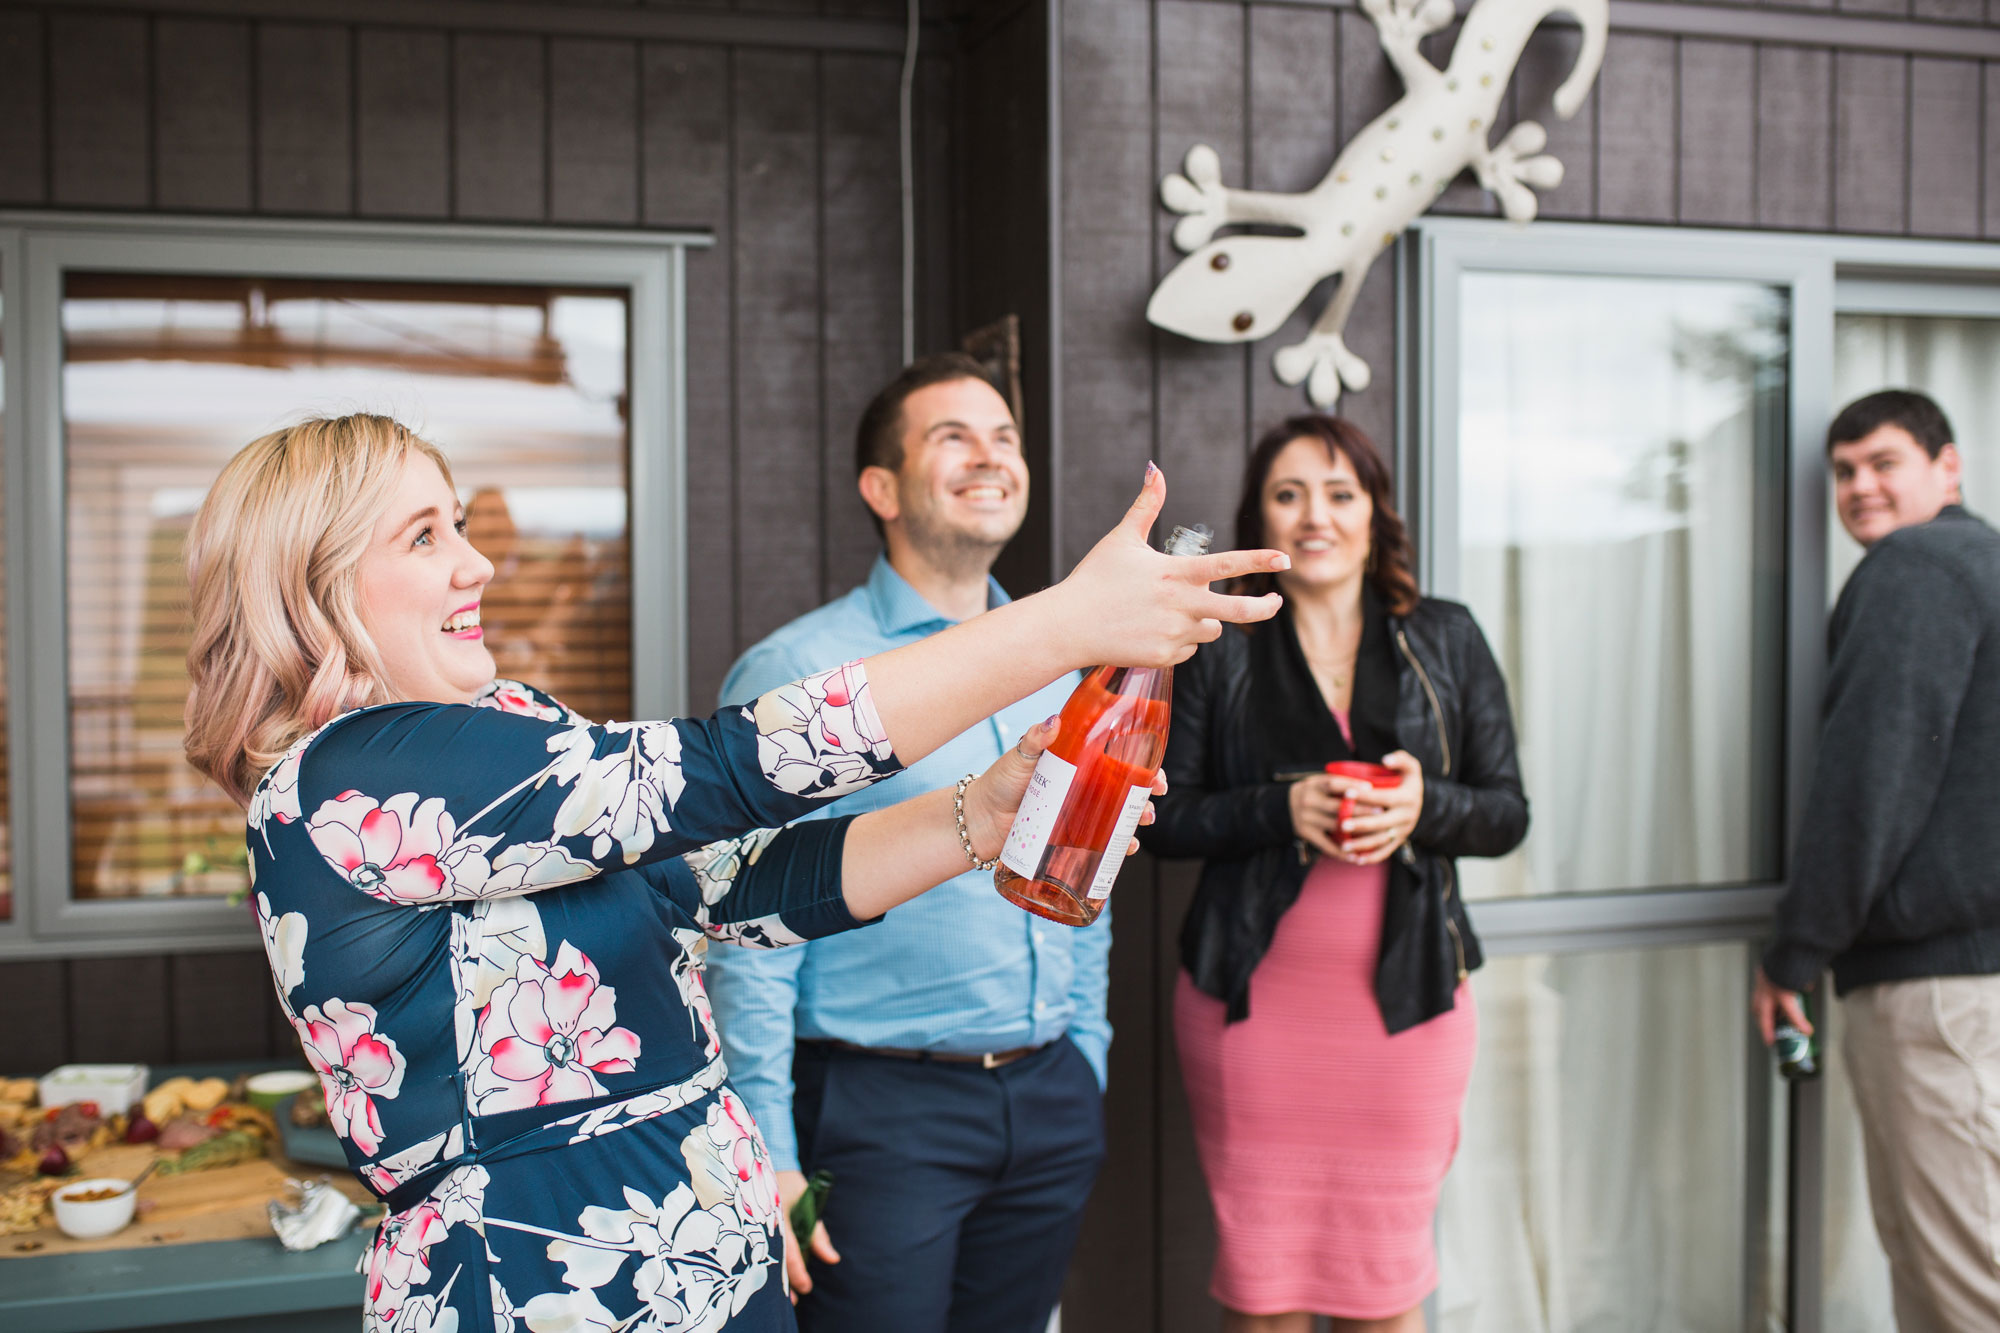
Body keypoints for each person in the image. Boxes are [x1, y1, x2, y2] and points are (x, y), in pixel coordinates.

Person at [180, 413, 1286, 1332]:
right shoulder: (350, 776)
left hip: (705, 1269)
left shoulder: (502, 731)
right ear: (312, 584)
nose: (476, 562)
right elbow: (727, 767)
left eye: (458, 524)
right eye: (423, 537)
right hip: (542, 1289)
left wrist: (975, 816)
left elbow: (723, 884)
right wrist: (1061, 624)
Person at [705, 354, 1109, 1333]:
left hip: (1047, 1094)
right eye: (952, 437)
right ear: (880, 488)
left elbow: (1083, 863)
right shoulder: (801, 670)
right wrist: (768, 1142)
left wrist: (1083, 1057)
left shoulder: (1062, 660)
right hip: (875, 1114)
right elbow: (748, 920)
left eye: (1003, 437)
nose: (990, 456)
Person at [1140, 415, 1528, 1333]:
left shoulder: (1448, 635)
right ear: (1260, 517)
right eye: (1289, 493)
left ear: (1373, 512)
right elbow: (1162, 818)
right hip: (1251, 1006)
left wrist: (1423, 807)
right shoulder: (1214, 643)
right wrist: (1283, 809)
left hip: (1410, 1010)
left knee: (1383, 1290)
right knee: (1264, 1291)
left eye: (1339, 492)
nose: (1316, 514)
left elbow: (1507, 811)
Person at [1754, 389, 2000, 1331]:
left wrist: (1795, 952)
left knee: (1963, 1282)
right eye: (1845, 471)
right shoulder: (1979, 564)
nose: (1860, 487)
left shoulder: (1920, 566)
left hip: (1941, 994)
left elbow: (1872, 774)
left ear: (1949, 466)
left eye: (1884, 462)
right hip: (1971, 982)